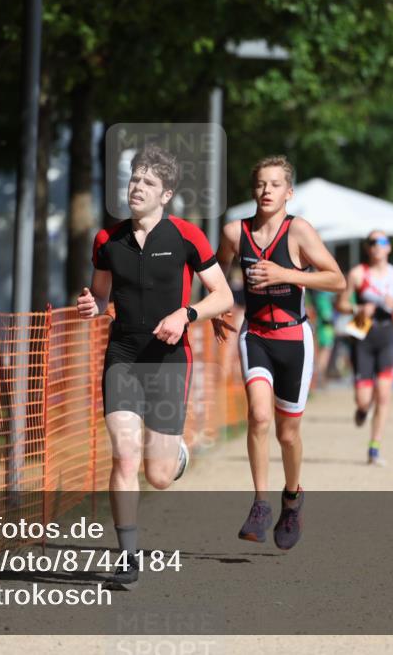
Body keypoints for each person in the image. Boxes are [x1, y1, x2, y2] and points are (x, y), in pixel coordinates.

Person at [77, 144, 233, 589]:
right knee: (125, 454)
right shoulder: (107, 241)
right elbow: (102, 296)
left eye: (148, 182)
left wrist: (186, 315)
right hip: (123, 356)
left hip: (168, 360)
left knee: (159, 476)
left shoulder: (186, 236)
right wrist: (93, 305)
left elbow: (223, 295)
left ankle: (175, 453)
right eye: (134, 179)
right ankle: (127, 556)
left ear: (166, 194)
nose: (137, 187)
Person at [212, 155, 345, 550]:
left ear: (289, 192)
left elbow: (337, 280)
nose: (266, 191)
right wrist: (217, 307)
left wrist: (285, 273)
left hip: (294, 339)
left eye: (275, 184)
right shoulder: (234, 233)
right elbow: (216, 273)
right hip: (255, 335)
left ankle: (292, 497)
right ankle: (260, 503)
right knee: (258, 416)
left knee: (288, 434)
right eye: (260, 184)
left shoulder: (298, 231)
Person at [337, 231, 393, 466]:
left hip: (387, 333)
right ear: (368, 248)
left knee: (384, 395)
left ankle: (374, 447)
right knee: (363, 399)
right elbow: (341, 303)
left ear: (389, 247)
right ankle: (361, 410)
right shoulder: (358, 274)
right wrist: (357, 309)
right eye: (373, 242)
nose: (378, 246)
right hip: (362, 329)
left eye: (382, 242)